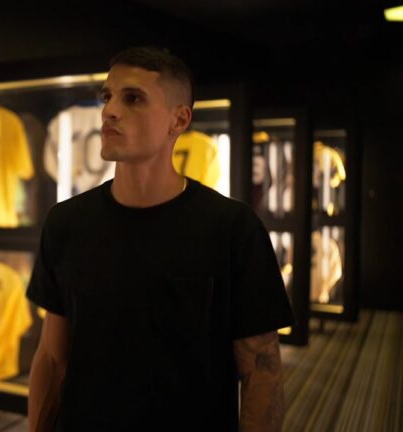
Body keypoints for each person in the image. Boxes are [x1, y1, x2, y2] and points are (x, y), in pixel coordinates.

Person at [26, 46, 294, 431]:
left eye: (133, 98)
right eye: (107, 96)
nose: (109, 110)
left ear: (178, 120)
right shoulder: (66, 222)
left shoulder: (232, 228)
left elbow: (261, 372)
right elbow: (52, 359)